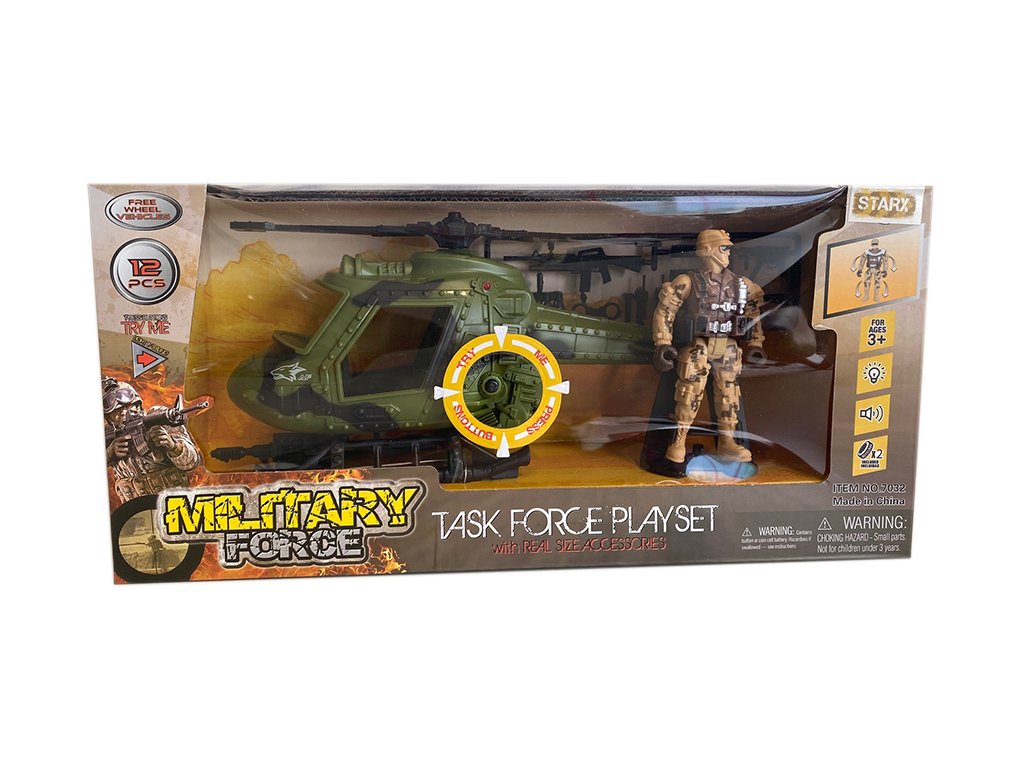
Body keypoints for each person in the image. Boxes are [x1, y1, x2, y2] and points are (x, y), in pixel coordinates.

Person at [651, 229, 765, 466]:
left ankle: (727, 442)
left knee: (729, 396)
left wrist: (756, 342)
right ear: (708, 250)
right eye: (723, 248)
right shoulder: (688, 281)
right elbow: (665, 310)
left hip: (728, 345)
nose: (728, 253)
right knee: (689, 393)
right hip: (699, 345)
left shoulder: (742, 284)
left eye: (729, 248)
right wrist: (663, 342)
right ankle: (679, 441)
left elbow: (753, 312)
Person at [103, 377, 202, 501]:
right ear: (109, 418)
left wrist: (172, 446)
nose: (124, 413)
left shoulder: (158, 417)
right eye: (116, 411)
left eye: (127, 406)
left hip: (172, 500)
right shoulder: (108, 434)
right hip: (135, 505)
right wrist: (109, 454)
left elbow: (192, 462)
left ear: (138, 405)